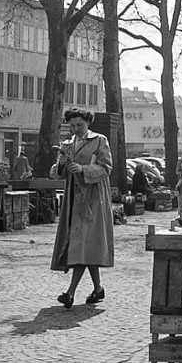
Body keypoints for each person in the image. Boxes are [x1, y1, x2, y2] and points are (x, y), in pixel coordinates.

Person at [50, 109, 114, 308]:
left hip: (94, 199)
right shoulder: (67, 144)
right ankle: (98, 289)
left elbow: (106, 168)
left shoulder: (99, 140)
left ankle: (70, 293)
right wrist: (61, 165)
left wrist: (84, 169)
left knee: (82, 245)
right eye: (72, 126)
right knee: (87, 246)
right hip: (73, 199)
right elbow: (56, 174)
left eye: (80, 125)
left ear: (88, 123)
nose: (76, 129)